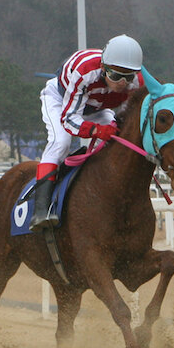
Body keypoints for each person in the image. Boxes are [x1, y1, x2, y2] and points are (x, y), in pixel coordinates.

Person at [30, 34, 144, 232]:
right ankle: (41, 210)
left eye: (129, 77)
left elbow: (129, 117)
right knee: (62, 142)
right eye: (116, 76)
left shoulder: (137, 82)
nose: (123, 83)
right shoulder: (84, 72)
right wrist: (96, 130)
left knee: (120, 142)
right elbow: (69, 119)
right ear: (103, 68)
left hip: (97, 108)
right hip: (61, 101)